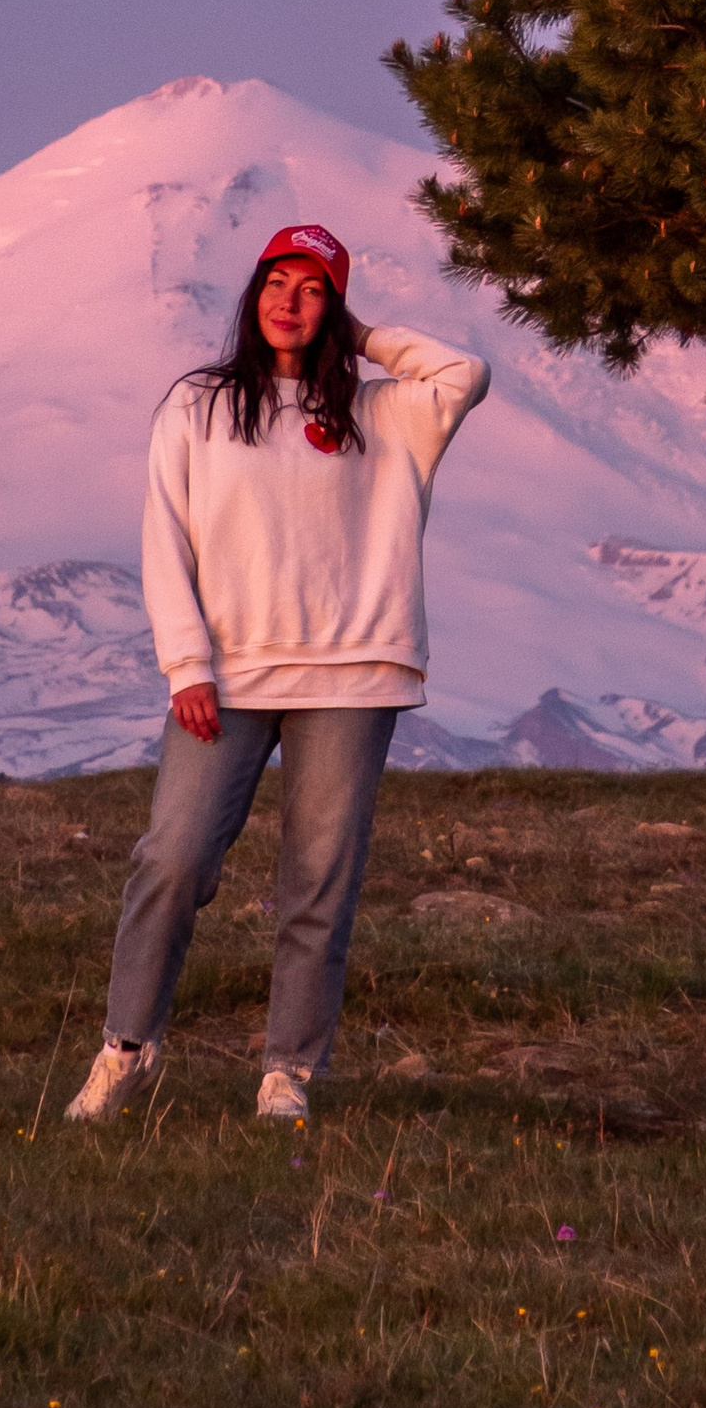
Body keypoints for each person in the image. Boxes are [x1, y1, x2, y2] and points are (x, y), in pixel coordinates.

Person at [63, 221, 490, 1127]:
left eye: (312, 289)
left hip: (355, 676)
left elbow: (465, 372)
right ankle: (126, 1050)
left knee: (318, 881)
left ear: (334, 306)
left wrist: (362, 335)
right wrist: (186, 664)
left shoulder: (387, 413)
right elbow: (164, 538)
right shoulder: (197, 405)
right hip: (226, 677)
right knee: (172, 859)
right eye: (275, 283)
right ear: (250, 295)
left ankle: (286, 1073)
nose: (288, 303)